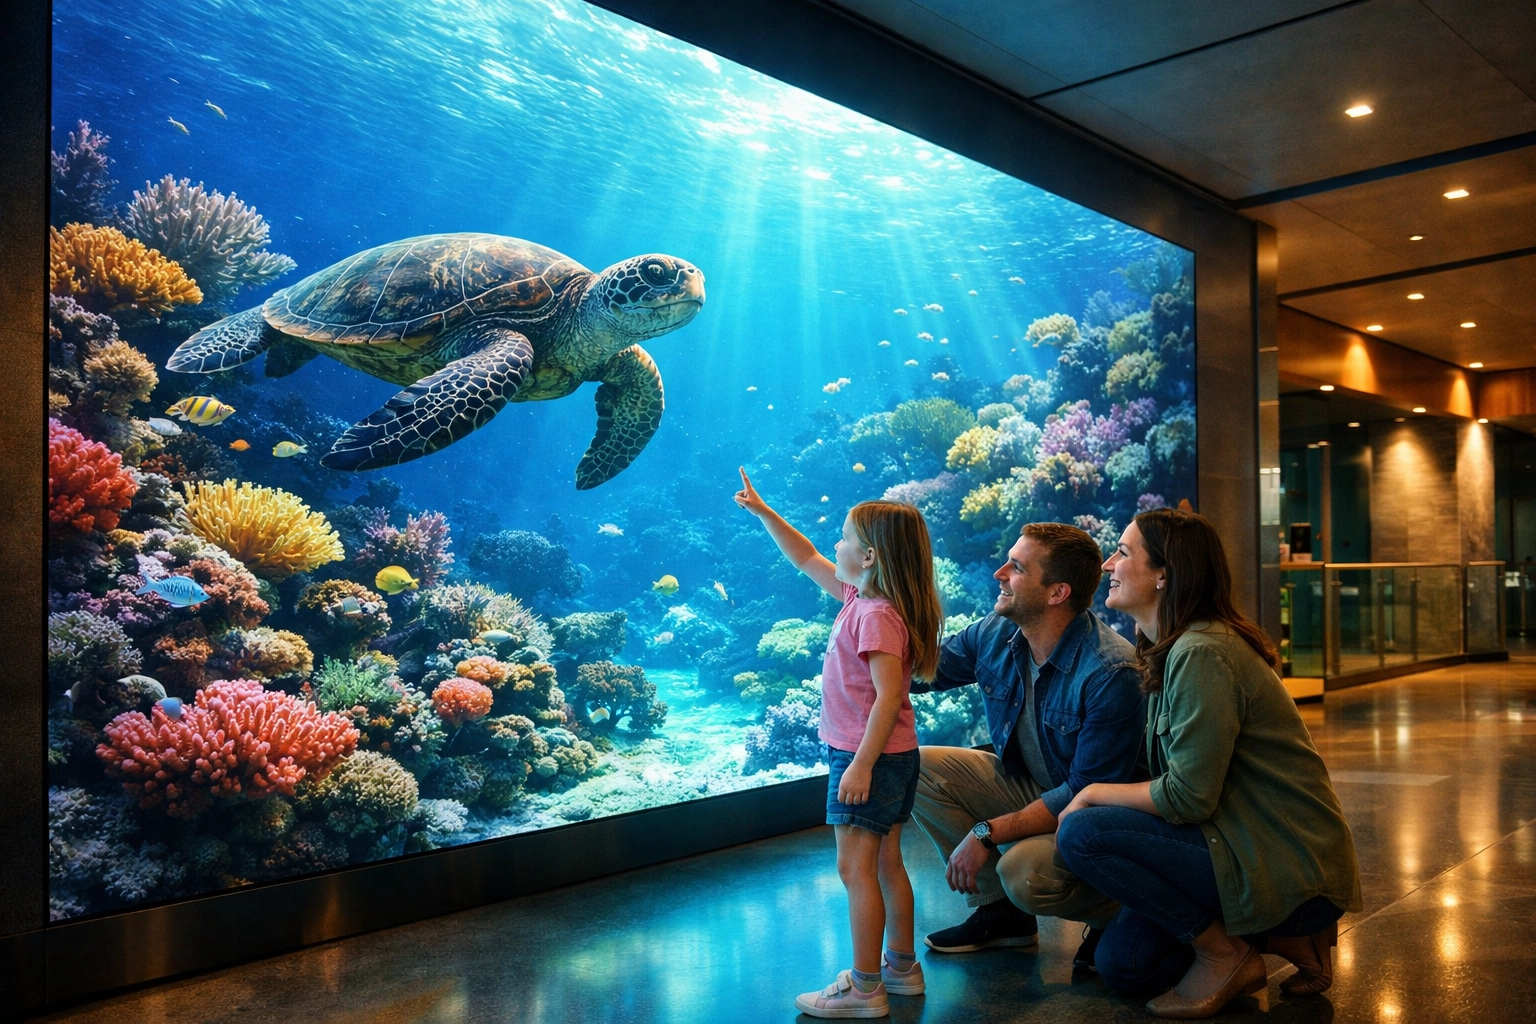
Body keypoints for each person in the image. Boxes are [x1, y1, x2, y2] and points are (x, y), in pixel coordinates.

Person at [1055, 509, 1362, 1019]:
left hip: (1279, 860)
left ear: (1164, 574)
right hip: (1233, 842)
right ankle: (1285, 939)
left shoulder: (1201, 652)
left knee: (1082, 832)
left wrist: (1091, 793)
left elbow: (1188, 795)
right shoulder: (1169, 647)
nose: (1109, 563)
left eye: (1124, 552)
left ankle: (1227, 951)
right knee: (1126, 966)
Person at [735, 469, 944, 1020]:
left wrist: (860, 768)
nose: (836, 545)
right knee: (886, 864)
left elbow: (887, 696)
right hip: (892, 756)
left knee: (856, 870)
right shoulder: (867, 599)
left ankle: (866, 988)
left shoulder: (873, 615)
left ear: (870, 556)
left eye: (846, 539)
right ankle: (901, 969)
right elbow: (805, 556)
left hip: (866, 757)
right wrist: (764, 511)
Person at [910, 522, 1145, 971]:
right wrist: (868, 618)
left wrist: (986, 833)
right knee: (918, 766)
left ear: (1057, 593)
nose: (1000, 573)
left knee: (1023, 871)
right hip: (1038, 789)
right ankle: (1002, 916)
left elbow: (1085, 792)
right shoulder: (994, 633)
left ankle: (1118, 910)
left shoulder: (1110, 672)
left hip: (1099, 822)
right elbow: (924, 669)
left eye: (1016, 567)